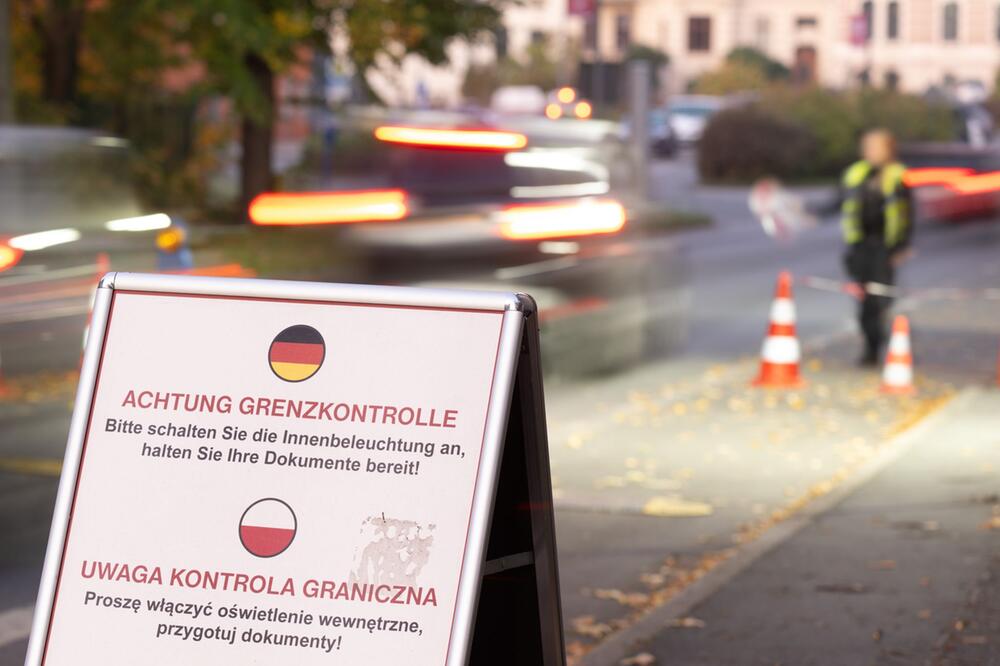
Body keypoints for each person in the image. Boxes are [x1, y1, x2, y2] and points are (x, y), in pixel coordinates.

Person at [837, 129, 914, 366]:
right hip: (860, 248)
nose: (868, 151)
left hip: (884, 249)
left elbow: (907, 213)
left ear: (888, 149)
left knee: (881, 302)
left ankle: (889, 346)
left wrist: (902, 246)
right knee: (864, 303)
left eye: (874, 146)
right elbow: (837, 202)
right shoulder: (856, 174)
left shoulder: (897, 175)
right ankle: (871, 349)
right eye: (866, 146)